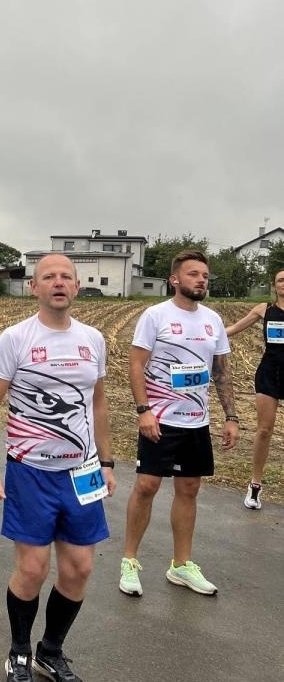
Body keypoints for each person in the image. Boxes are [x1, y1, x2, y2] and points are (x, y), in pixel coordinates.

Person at [0, 253, 115, 682]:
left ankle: (50, 652)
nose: (58, 283)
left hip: (82, 472)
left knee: (80, 568)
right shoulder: (15, 340)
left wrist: (107, 462)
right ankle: (18, 651)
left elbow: (98, 404)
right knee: (32, 569)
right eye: (48, 277)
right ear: (33, 287)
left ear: (77, 287)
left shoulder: (93, 339)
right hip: (30, 471)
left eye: (66, 277)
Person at [119, 249, 238, 598]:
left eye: (204, 274)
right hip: (160, 419)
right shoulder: (155, 316)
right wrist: (144, 410)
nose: (201, 279)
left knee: (189, 489)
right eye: (193, 274)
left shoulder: (212, 320)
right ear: (175, 279)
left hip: (196, 422)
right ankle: (129, 561)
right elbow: (136, 364)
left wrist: (230, 417)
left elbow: (221, 371)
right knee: (147, 486)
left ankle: (181, 565)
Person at [224, 266, 284, 510]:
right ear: (274, 285)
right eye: (281, 280)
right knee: (264, 431)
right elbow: (233, 329)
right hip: (269, 374)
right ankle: (255, 485)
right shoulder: (264, 310)